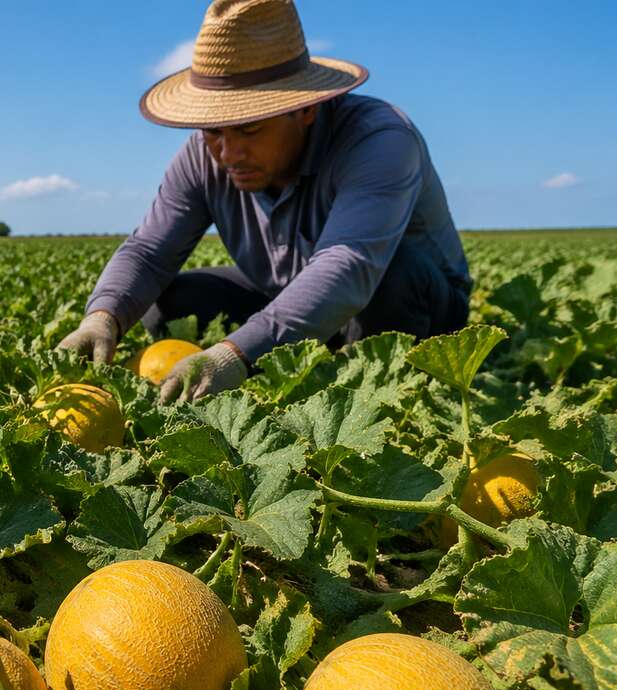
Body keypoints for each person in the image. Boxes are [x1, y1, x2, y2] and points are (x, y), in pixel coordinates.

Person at [58, 0, 471, 404]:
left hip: (410, 303)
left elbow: (348, 267)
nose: (228, 153)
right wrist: (103, 316)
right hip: (286, 292)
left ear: (305, 109)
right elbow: (150, 252)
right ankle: (292, 354)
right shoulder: (207, 154)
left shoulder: (378, 139)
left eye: (250, 129)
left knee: (394, 276)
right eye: (212, 132)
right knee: (168, 302)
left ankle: (369, 392)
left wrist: (233, 355)